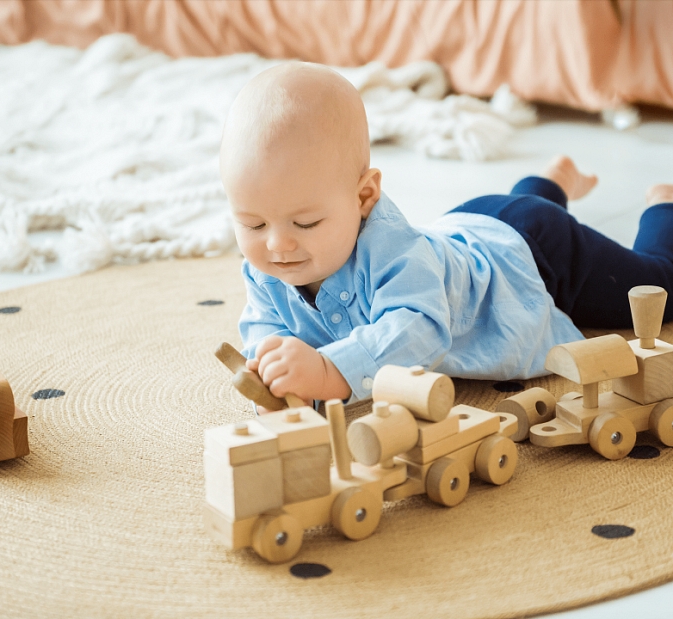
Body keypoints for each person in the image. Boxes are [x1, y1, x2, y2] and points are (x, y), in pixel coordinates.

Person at [219, 62, 673, 406]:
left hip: (536, 251)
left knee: (659, 286)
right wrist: (270, 362)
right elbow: (266, 324)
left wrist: (327, 370)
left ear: (364, 197)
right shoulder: (269, 267)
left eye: (306, 223)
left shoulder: (399, 255)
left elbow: (418, 332)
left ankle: (661, 205)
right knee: (525, 208)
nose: (277, 245)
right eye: (253, 224)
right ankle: (552, 181)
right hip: (476, 225)